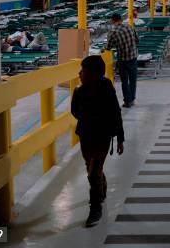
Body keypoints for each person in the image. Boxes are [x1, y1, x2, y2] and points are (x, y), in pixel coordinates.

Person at [71, 55, 124, 227]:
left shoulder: (107, 90)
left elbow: (116, 113)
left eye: (83, 71)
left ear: (94, 74)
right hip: (86, 134)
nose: (79, 74)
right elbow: (74, 111)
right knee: (91, 166)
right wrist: (87, 117)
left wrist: (120, 138)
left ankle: (95, 208)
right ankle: (101, 185)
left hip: (103, 135)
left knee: (93, 171)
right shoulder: (79, 91)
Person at [106, 13, 139, 107]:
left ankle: (127, 101)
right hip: (133, 57)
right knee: (133, 80)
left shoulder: (113, 31)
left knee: (124, 80)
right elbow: (137, 40)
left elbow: (108, 47)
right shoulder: (130, 27)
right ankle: (132, 98)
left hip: (123, 59)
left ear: (113, 20)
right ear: (121, 19)